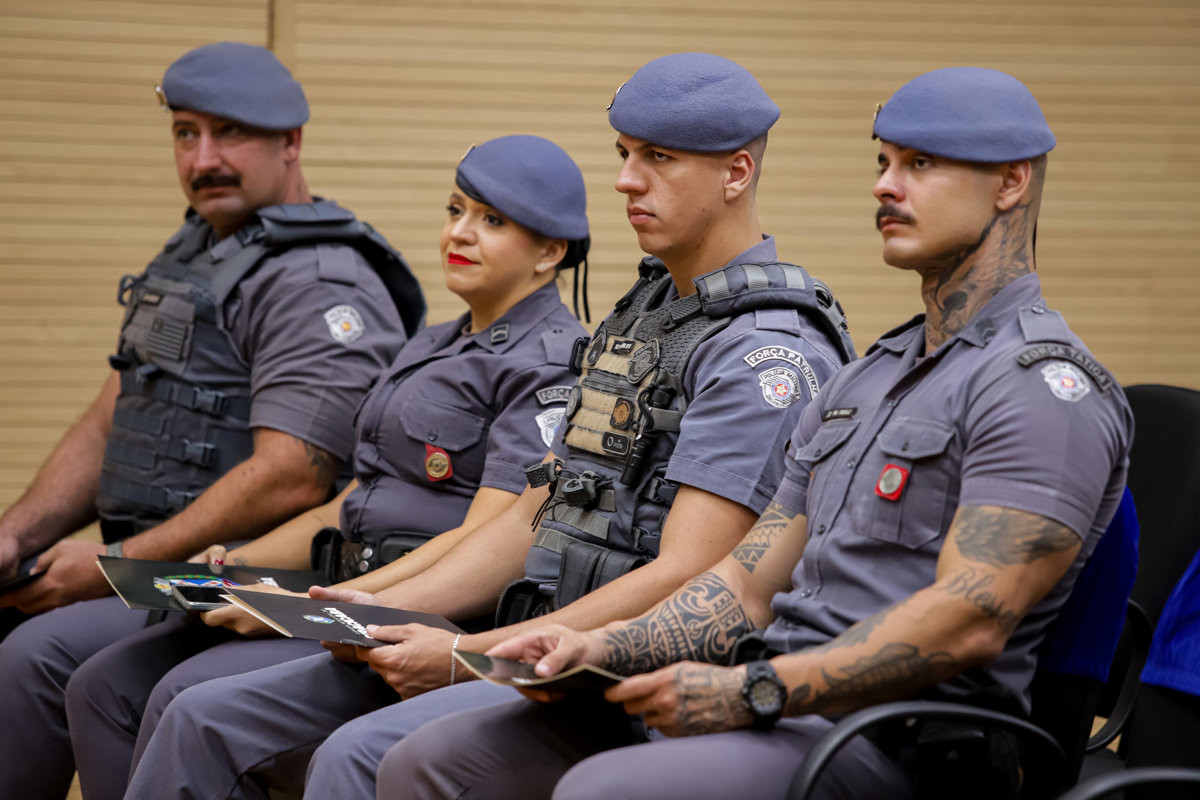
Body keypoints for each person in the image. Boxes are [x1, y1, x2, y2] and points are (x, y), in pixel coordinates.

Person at [371, 67, 1134, 800]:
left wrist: (753, 689)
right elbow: (743, 582)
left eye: (923, 164)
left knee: (602, 790)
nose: (884, 185)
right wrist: (595, 648)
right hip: (770, 701)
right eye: (885, 161)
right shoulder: (865, 381)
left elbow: (969, 622)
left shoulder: (1044, 389)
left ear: (1011, 182)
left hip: (895, 741)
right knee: (431, 762)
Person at [122, 52, 856, 800]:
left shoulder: (765, 351)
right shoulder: (642, 317)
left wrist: (469, 651)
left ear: (735, 174)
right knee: (204, 713)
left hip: (619, 673)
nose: (626, 180)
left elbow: (692, 573)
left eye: (658, 159)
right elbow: (534, 514)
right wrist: (377, 604)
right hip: (524, 636)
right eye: (626, 155)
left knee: (363, 756)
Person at [42, 134, 591, 800]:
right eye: (456, 210)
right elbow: (351, 500)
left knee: (191, 705)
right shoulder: (434, 342)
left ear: (551, 252)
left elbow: (491, 538)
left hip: (422, 616)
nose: (461, 233)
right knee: (107, 682)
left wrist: (316, 606)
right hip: (346, 589)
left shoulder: (550, 363)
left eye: (492, 221)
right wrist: (234, 564)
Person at [0, 41, 425, 799]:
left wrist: (112, 570)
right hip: (157, 569)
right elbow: (111, 419)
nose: (204, 159)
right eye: (186, 133)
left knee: (35, 654)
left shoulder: (318, 279)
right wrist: (19, 536)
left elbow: (294, 475)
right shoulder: (196, 252)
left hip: (246, 577)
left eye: (230, 134)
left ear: (290, 143)